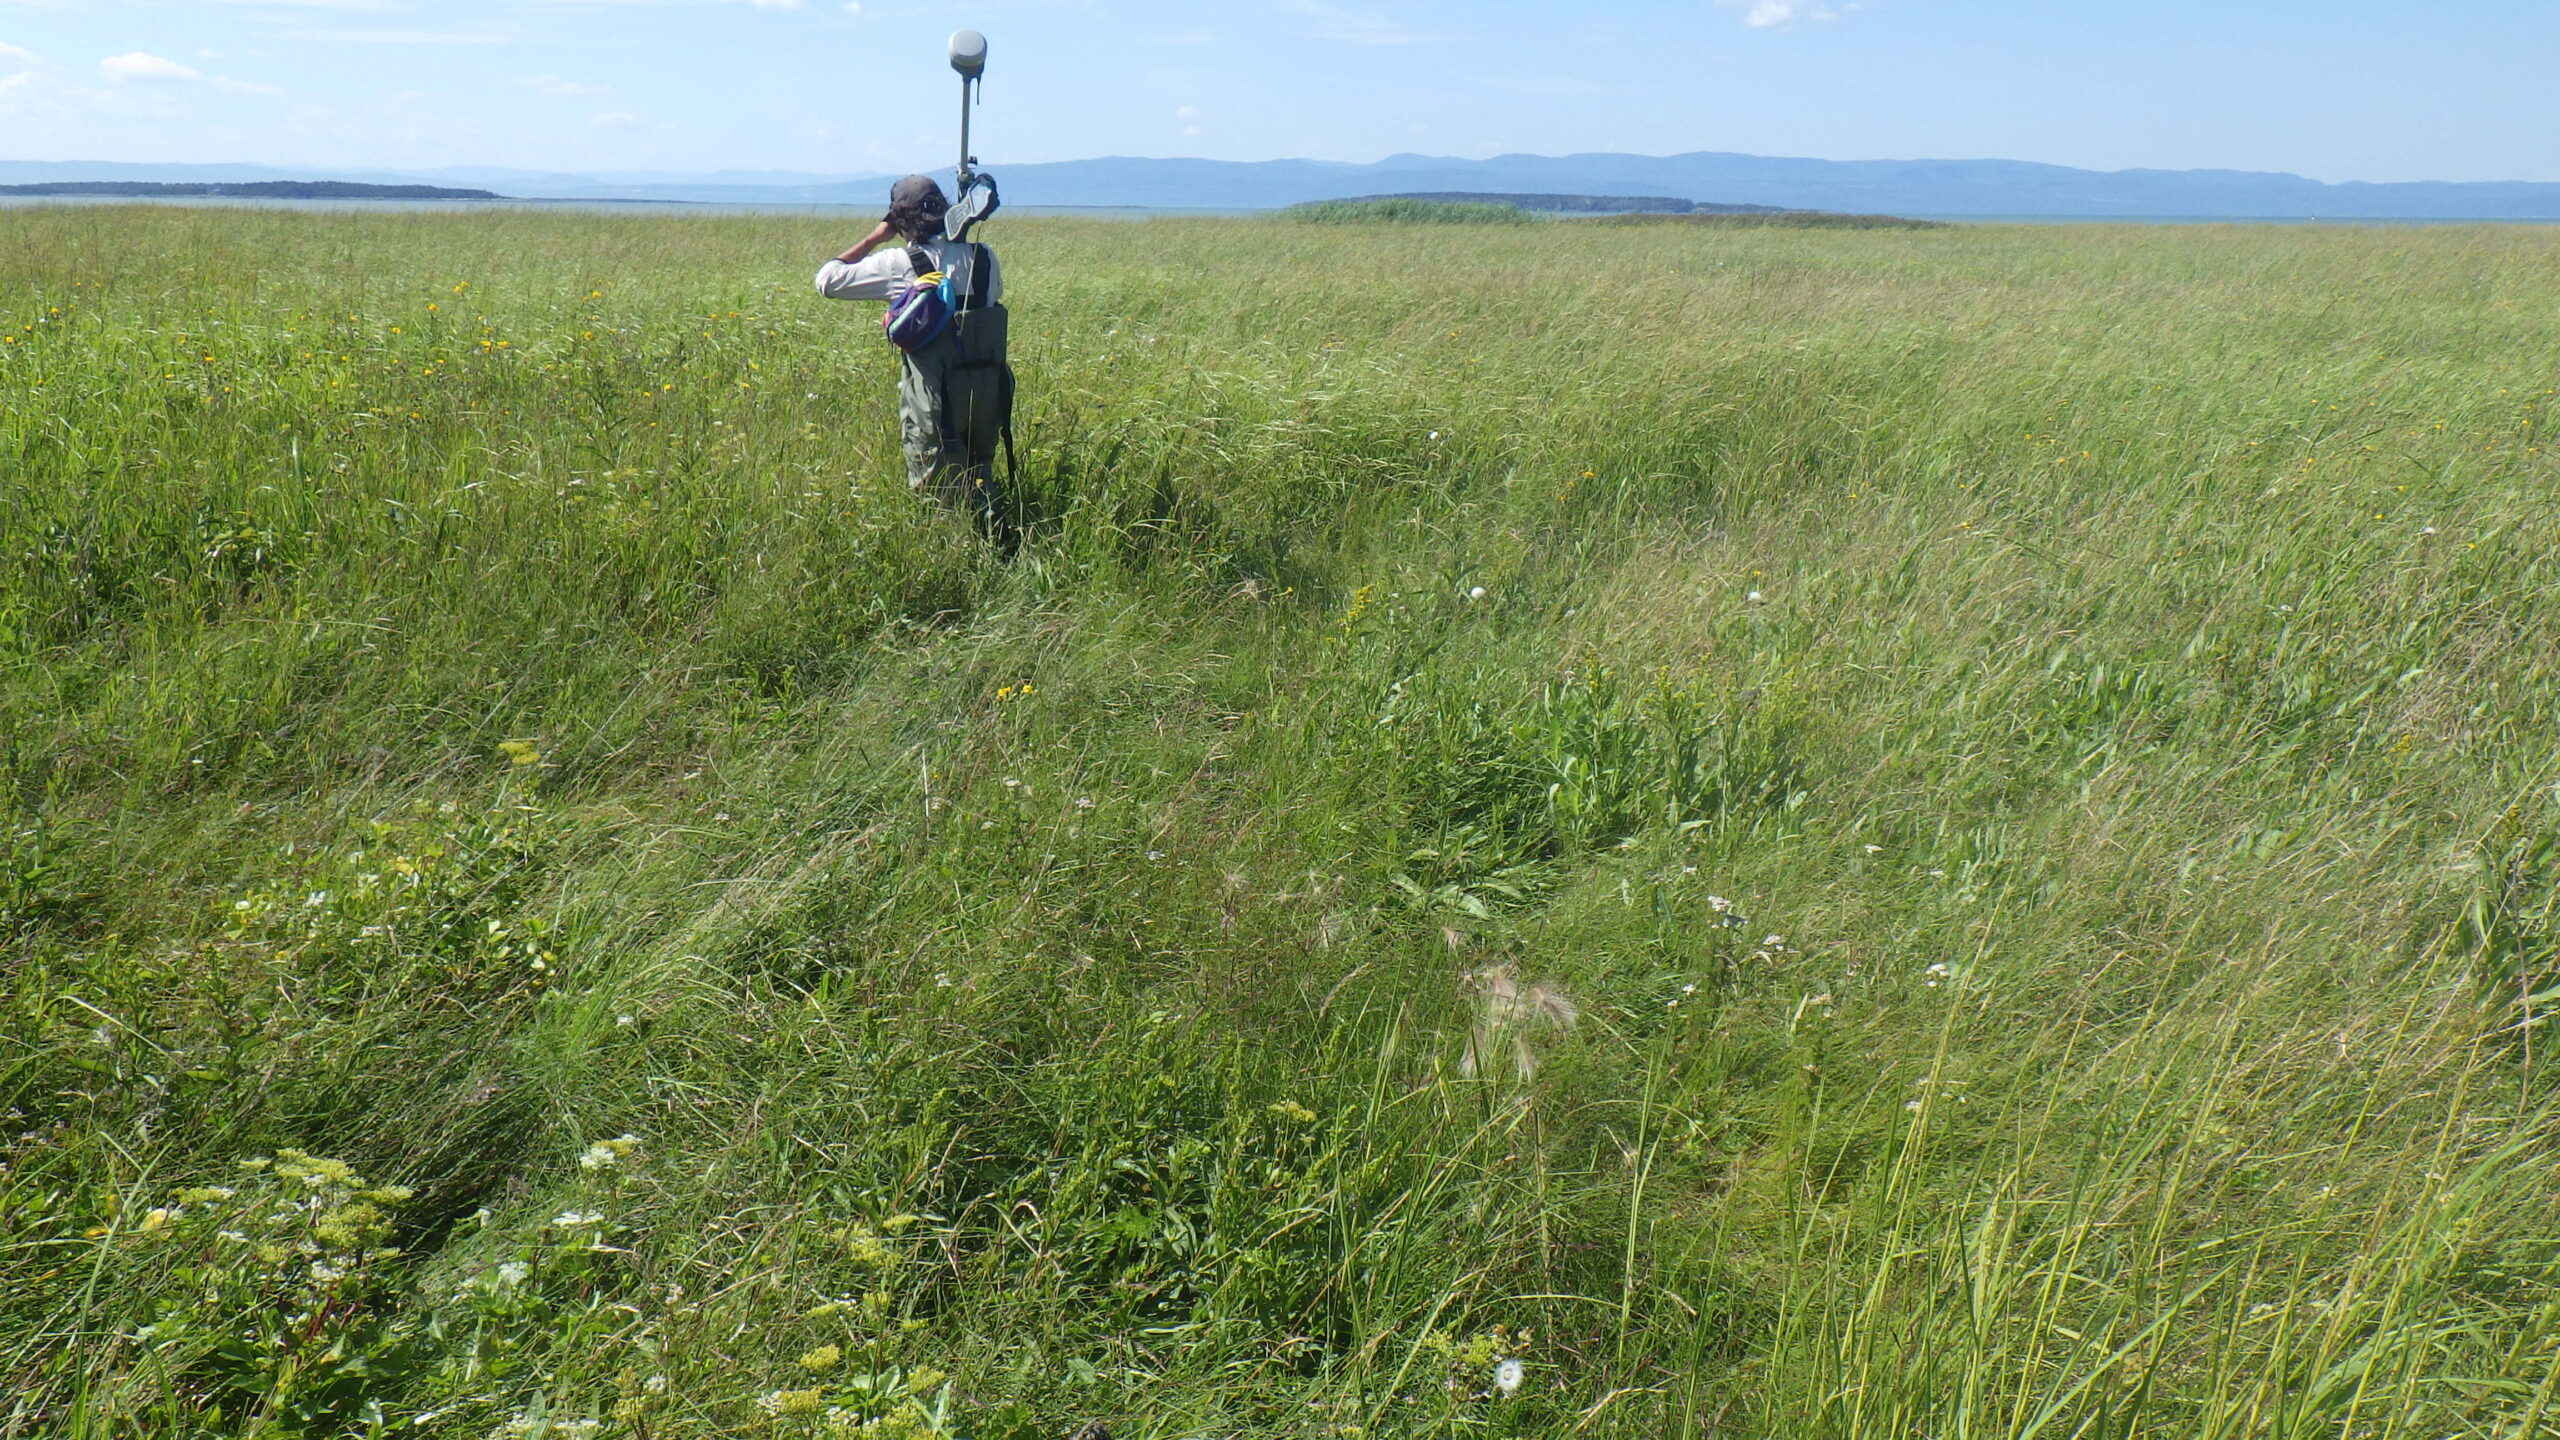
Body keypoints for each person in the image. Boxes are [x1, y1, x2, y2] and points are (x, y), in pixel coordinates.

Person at [815, 174, 1015, 549]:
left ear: (898, 219)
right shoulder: (985, 257)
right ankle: (996, 547)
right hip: (987, 393)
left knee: (935, 487)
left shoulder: (899, 261)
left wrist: (876, 237)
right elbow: (990, 300)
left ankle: (949, 558)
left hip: (934, 399)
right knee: (980, 472)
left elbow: (827, 280)